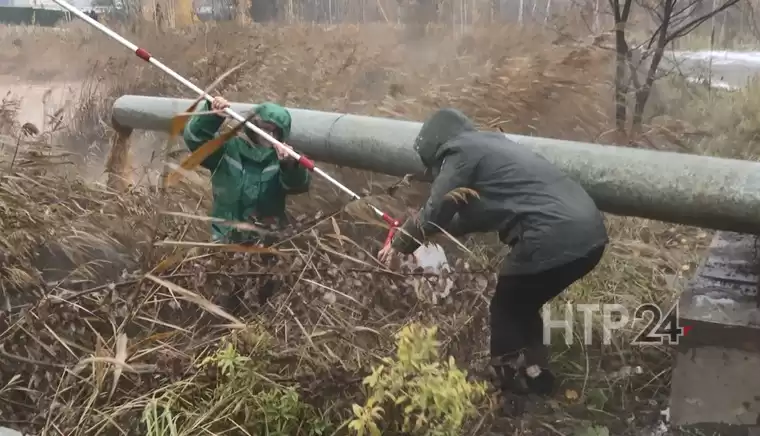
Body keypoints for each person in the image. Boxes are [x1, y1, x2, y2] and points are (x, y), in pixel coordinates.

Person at [377, 108, 608, 415]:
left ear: (437, 149)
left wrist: (401, 241)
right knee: (523, 303)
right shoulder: (491, 148)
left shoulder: (460, 152)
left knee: (506, 306)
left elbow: (437, 209)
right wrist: (426, 232)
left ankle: (510, 392)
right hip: (590, 236)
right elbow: (472, 214)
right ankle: (537, 376)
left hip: (553, 236)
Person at [182, 96, 310, 245]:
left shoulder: (282, 159)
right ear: (252, 126)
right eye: (264, 127)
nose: (267, 134)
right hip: (224, 242)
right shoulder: (227, 150)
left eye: (274, 131)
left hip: (267, 245)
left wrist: (290, 165)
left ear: (281, 134)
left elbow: (298, 185)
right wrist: (212, 115)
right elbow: (195, 139)